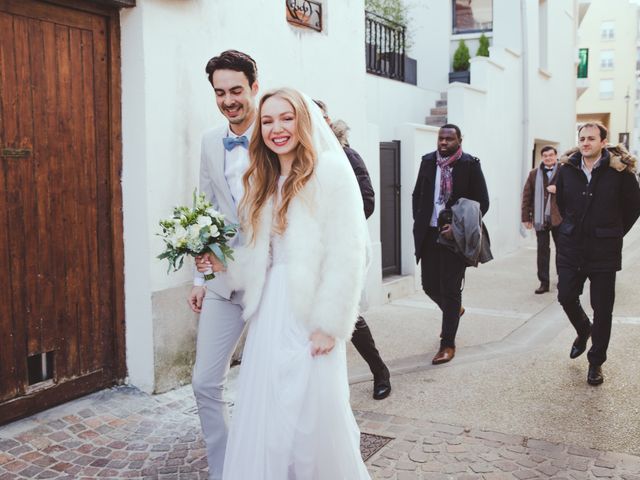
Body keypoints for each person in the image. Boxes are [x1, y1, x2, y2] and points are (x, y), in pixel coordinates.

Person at [221, 88, 371, 479]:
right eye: (267, 121)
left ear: (303, 120)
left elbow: (348, 252)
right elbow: (260, 258)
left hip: (311, 313)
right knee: (269, 411)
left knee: (313, 415)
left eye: (285, 118)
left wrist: (330, 324)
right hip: (270, 309)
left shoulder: (331, 172)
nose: (276, 129)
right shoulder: (263, 180)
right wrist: (217, 265)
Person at [186, 49, 258, 480]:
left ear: (253, 85)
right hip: (224, 282)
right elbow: (206, 212)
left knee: (268, 382)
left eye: (235, 90)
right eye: (220, 93)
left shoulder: (276, 134)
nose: (228, 100)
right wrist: (201, 276)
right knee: (204, 382)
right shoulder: (210, 142)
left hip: (273, 279)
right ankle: (225, 467)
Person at [313, 99, 391, 400]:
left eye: (319, 117)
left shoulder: (348, 155)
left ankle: (379, 370)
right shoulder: (301, 158)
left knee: (349, 314)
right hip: (311, 252)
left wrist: (334, 223)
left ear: (328, 120)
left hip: (342, 248)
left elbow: (367, 201)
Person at [555, 122, 640, 385]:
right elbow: (561, 202)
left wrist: (612, 232)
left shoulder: (620, 171)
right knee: (566, 296)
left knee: (603, 309)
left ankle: (595, 363)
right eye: (582, 138)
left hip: (604, 250)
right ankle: (583, 329)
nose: (585, 143)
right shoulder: (567, 169)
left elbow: (633, 207)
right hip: (571, 248)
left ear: (604, 141)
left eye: (591, 138)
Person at [412, 124, 489, 365]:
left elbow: (481, 203)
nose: (443, 142)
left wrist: (456, 228)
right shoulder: (427, 161)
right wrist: (422, 220)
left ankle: (447, 343)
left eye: (449, 139)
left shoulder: (469, 164)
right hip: (429, 234)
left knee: (451, 289)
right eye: (441, 138)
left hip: (454, 238)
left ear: (459, 140)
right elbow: (417, 195)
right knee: (428, 285)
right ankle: (454, 310)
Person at [521, 145, 562, 294]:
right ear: (542, 157)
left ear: (556, 156)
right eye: (545, 156)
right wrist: (526, 217)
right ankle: (544, 282)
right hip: (540, 219)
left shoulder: (564, 172)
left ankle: (562, 280)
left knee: (562, 251)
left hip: (560, 218)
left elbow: (572, 191)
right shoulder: (534, 174)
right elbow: (526, 196)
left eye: (551, 155)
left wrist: (559, 189)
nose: (548, 158)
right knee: (542, 251)